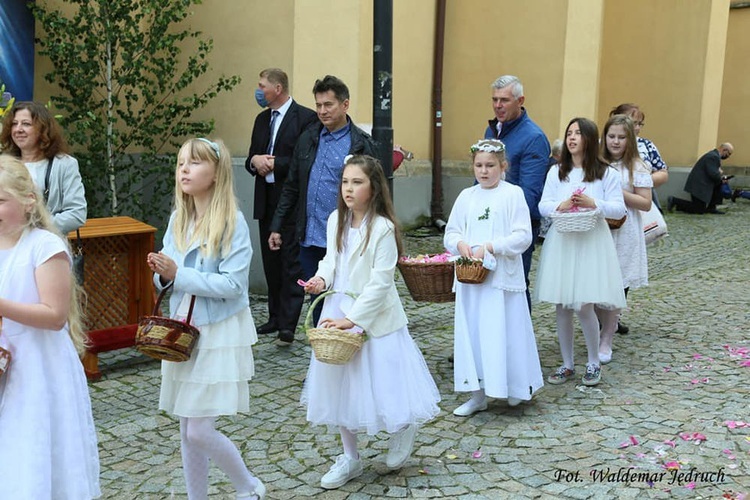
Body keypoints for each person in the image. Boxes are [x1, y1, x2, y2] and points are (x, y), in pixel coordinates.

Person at [301, 155, 440, 490]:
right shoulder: (337, 219)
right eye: (345, 182)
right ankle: (349, 456)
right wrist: (320, 280)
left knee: (385, 381)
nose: (349, 189)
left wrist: (354, 320)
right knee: (338, 383)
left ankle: (402, 427)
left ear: (374, 187)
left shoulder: (383, 228)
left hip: (374, 316)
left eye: (357, 182)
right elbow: (330, 261)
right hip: (339, 309)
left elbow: (380, 283)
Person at [147, 138, 265, 500]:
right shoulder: (178, 219)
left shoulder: (232, 223)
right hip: (182, 328)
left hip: (217, 330)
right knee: (187, 427)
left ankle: (249, 486)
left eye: (195, 163)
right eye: (182, 162)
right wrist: (163, 273)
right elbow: (168, 276)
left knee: (199, 429)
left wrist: (177, 274)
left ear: (215, 175)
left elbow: (233, 285)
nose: (184, 169)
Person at [0, 154, 100, 498]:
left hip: (38, 369)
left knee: (35, 455)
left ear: (28, 202)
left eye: (0, 200)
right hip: (4, 365)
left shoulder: (44, 246)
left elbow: (54, 315)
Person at [269, 75, 378, 340]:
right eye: (318, 105)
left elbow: (375, 193)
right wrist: (277, 226)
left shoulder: (361, 143)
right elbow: (293, 185)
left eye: (328, 105)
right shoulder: (308, 139)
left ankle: (349, 349)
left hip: (346, 236)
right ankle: (324, 352)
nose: (322, 111)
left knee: (346, 295)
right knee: (317, 298)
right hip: (311, 235)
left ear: (345, 105)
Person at [444, 139, 543, 417]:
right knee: (473, 333)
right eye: (479, 166)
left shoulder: (513, 195)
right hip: (472, 279)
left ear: (503, 166)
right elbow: (451, 232)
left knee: (505, 332)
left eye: (490, 166)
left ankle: (513, 387)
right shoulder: (467, 196)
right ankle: (477, 394)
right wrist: (461, 244)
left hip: (501, 279)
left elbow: (523, 235)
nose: (484, 171)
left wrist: (491, 246)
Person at [534, 118, 627, 387]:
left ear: (589, 138)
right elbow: (543, 204)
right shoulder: (557, 172)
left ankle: (593, 362)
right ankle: (566, 363)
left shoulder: (606, 173)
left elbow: (618, 209)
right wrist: (561, 205)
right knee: (562, 304)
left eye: (578, 133)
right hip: (563, 240)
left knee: (584, 304)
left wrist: (592, 202)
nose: (572, 138)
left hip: (590, 242)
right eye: (569, 133)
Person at [245, 68, 318, 340]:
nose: (259, 90)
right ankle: (274, 317)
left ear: (277, 88)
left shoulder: (306, 119)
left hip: (291, 201)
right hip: (266, 198)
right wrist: (255, 162)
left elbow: (304, 161)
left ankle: (288, 322)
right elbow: (252, 155)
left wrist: (276, 163)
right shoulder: (262, 120)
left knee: (290, 262)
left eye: (262, 86)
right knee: (271, 262)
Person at [483, 75, 550, 309]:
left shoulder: (534, 138)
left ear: (520, 100)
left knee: (516, 285)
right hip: (488, 221)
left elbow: (529, 196)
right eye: (494, 99)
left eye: (504, 100)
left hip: (515, 226)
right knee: (487, 285)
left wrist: (496, 212)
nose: (498, 106)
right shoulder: (492, 131)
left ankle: (521, 342)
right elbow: (480, 179)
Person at [597, 115, 652, 363]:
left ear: (630, 140)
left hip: (624, 231)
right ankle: (601, 326)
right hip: (599, 230)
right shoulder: (597, 163)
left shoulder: (636, 167)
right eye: (611, 137)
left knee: (616, 286)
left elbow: (645, 202)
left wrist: (618, 193)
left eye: (621, 137)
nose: (616, 142)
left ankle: (607, 336)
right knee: (595, 284)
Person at [0, 101, 87, 234]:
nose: (18, 129)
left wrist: (36, 228)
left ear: (43, 130)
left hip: (46, 245)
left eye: (26, 124)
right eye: (14, 124)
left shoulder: (64, 164)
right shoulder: (4, 164)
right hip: (8, 244)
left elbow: (77, 214)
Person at [609, 103, 669, 210]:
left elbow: (662, 173)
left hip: (641, 199)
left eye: (639, 124)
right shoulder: (605, 144)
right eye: (633, 123)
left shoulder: (646, 145)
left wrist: (641, 182)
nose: (636, 128)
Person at [667, 143, 734, 215]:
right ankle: (674, 201)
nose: (728, 156)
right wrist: (720, 174)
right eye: (729, 154)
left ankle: (711, 208)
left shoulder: (713, 155)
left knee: (719, 183)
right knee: (699, 209)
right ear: (724, 150)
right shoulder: (713, 157)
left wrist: (720, 178)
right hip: (699, 186)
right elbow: (713, 174)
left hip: (700, 184)